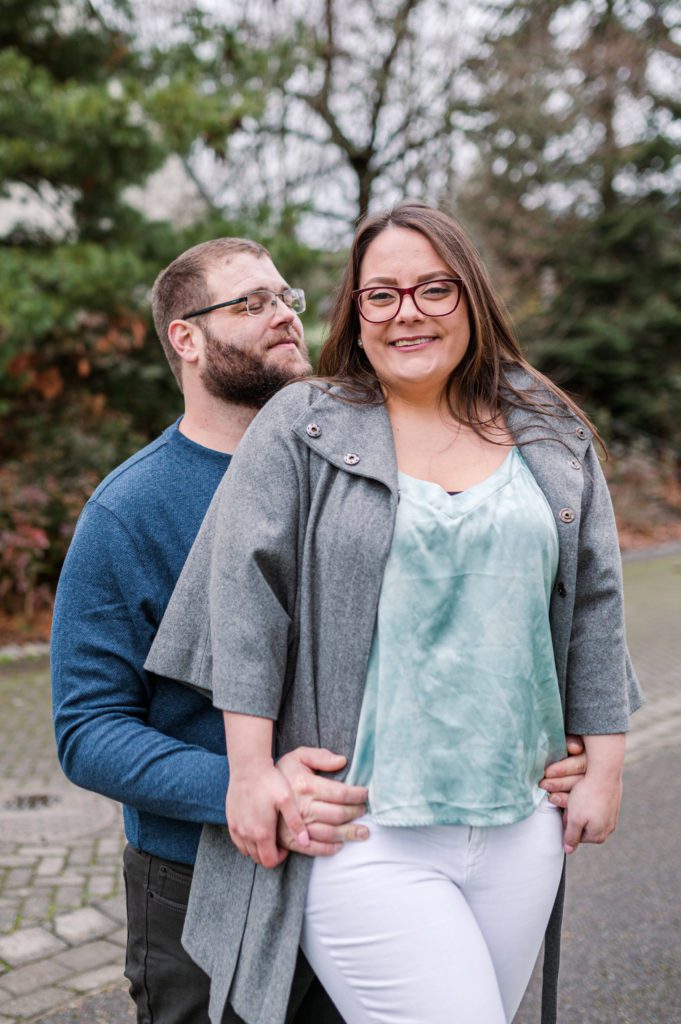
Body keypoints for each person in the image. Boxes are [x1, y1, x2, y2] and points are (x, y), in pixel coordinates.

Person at [144, 204, 639, 1024]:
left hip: (521, 824)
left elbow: (594, 598)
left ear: (471, 300)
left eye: (433, 289)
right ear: (354, 313)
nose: (407, 311)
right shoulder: (301, 428)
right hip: (367, 835)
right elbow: (244, 605)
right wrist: (249, 771)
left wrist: (608, 763)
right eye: (380, 295)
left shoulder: (548, 429)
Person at [51, 237, 378, 1024]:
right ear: (185, 338)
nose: (283, 317)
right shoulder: (130, 511)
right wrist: (240, 782)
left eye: (284, 297)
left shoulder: (353, 468)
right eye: (250, 302)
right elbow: (86, 729)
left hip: (360, 863)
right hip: (201, 879)